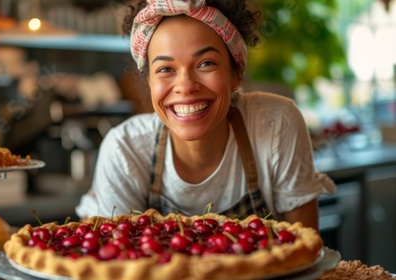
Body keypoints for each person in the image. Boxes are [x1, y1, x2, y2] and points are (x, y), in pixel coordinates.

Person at [75, 0, 335, 231]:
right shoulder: (125, 150)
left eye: (206, 63)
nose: (186, 86)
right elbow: (116, 266)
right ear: (149, 82)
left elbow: (304, 254)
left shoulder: (276, 123)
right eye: (166, 69)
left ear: (236, 73)